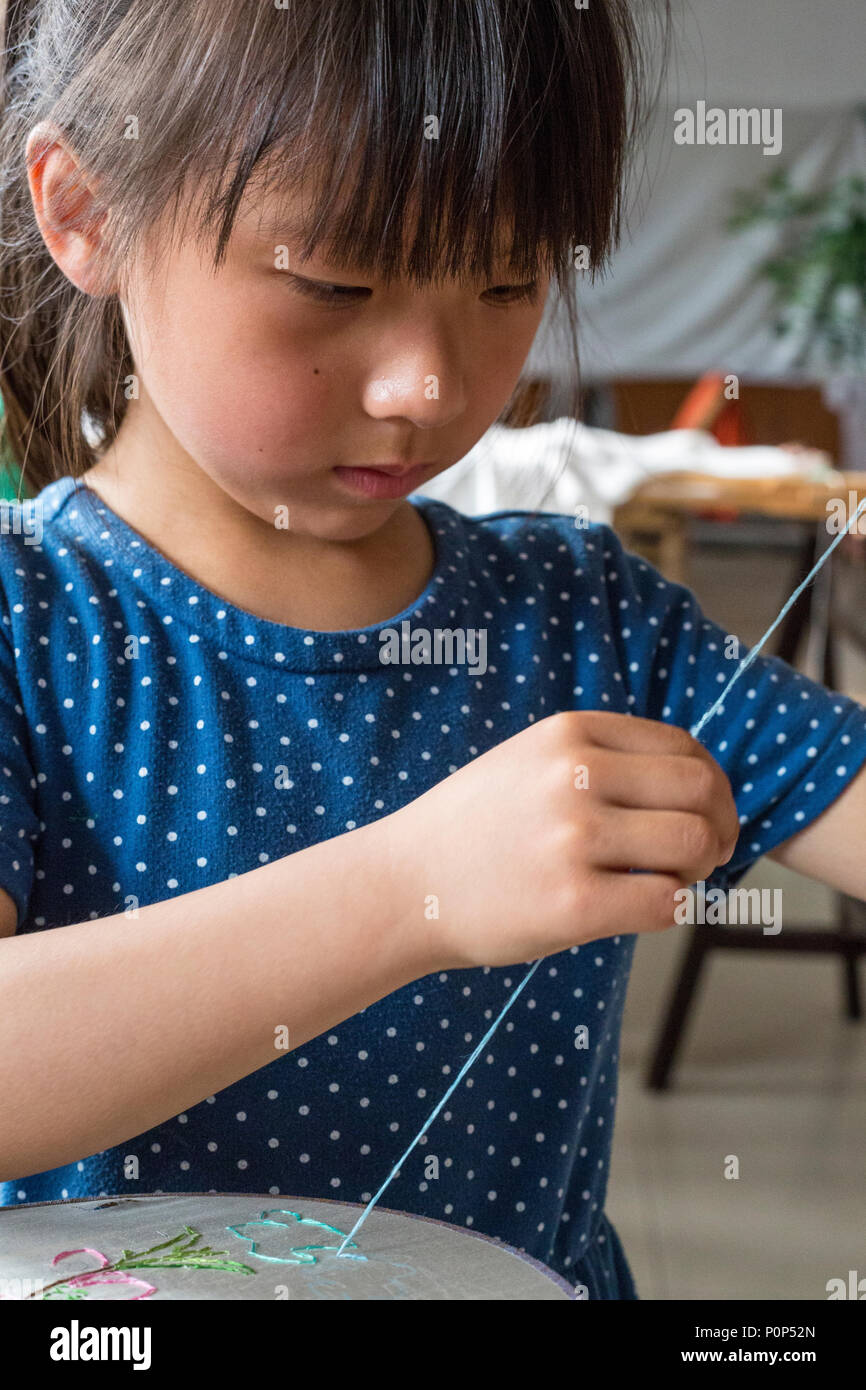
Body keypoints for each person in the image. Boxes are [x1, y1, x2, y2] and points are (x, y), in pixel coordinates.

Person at [0, 0, 863, 1301]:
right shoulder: (27, 623)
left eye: (507, 279)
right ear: (88, 212)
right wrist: (412, 889)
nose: (426, 383)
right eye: (335, 281)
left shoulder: (587, 620)